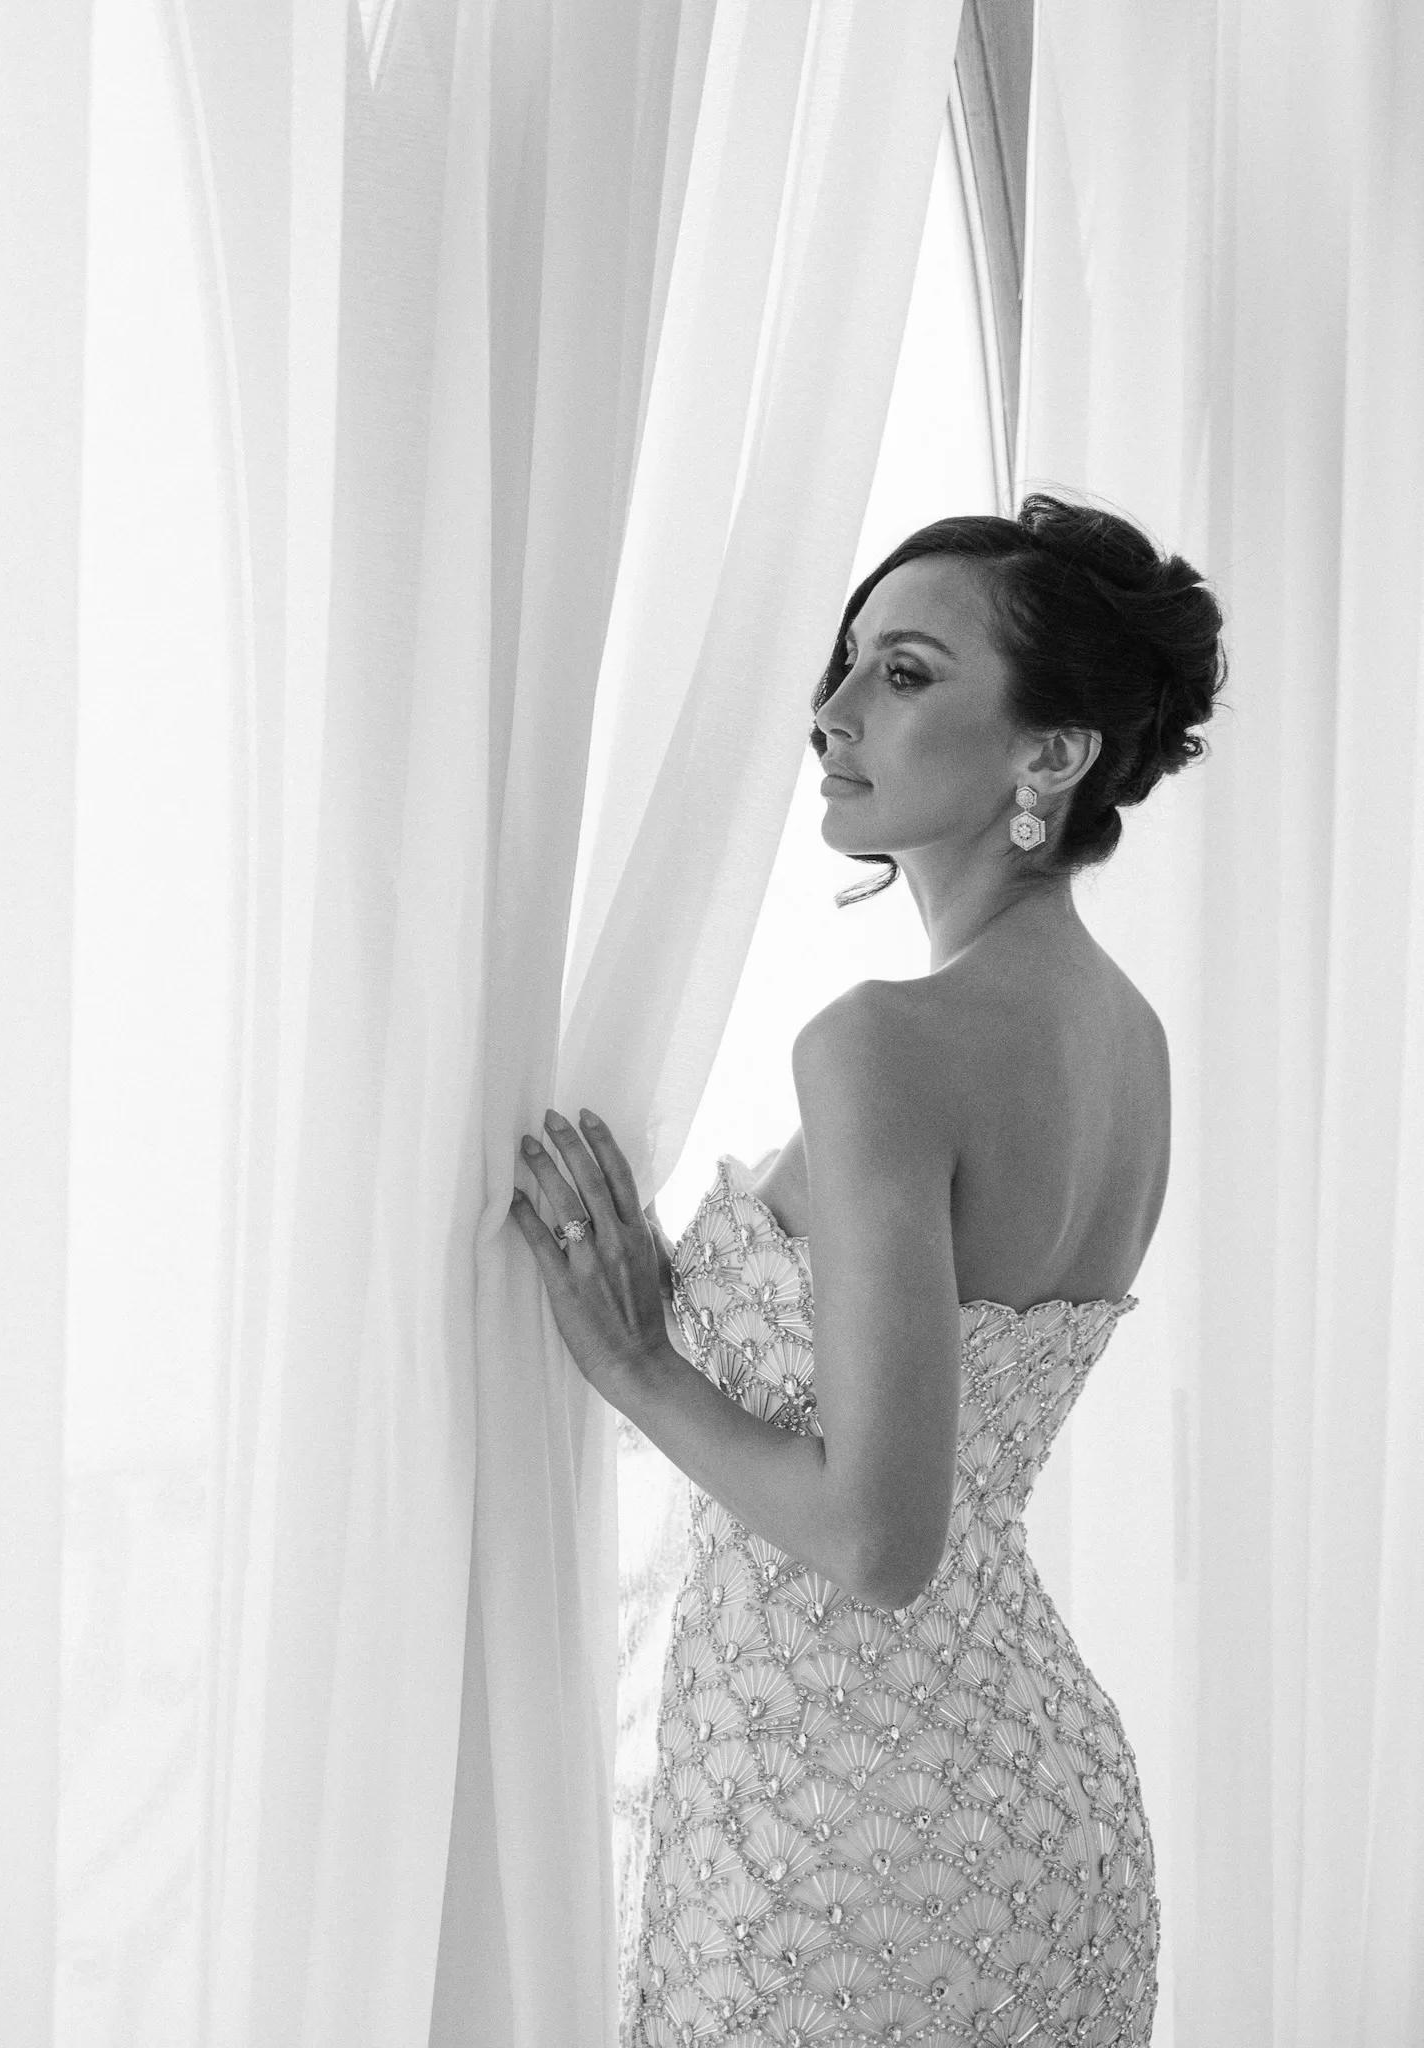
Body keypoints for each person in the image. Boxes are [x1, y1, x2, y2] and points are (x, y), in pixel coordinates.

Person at [510, 491, 1227, 2046]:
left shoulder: (881, 1046)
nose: (829, 713)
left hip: (844, 1835)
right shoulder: (1129, 1040)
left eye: (901, 674)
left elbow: (876, 1538)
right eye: (842, 664)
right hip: (1019, 1804)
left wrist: (634, 1361)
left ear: (1053, 754)